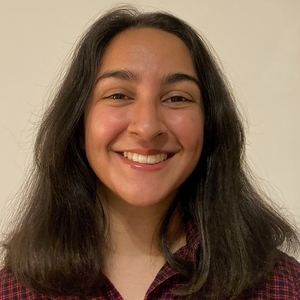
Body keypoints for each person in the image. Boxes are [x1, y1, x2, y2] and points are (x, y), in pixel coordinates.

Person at [0, 5, 299, 300]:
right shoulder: (13, 291)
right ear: (79, 125)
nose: (147, 127)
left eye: (177, 98)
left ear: (210, 127)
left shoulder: (282, 286)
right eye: (118, 95)